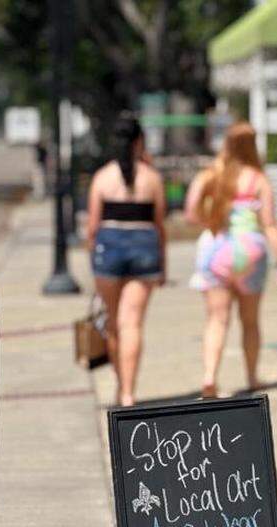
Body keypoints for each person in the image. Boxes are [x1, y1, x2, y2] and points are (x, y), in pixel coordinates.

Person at [185, 122, 277, 398]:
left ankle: (210, 377)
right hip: (249, 252)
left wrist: (211, 219)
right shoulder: (258, 179)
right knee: (250, 321)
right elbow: (270, 224)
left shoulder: (214, 175)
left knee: (216, 319)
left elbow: (191, 213)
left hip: (217, 249)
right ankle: (253, 378)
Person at [86, 114, 166, 406]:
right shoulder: (152, 178)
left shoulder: (102, 177)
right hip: (145, 248)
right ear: (139, 141)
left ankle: (121, 386)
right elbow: (160, 225)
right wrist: (163, 265)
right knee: (132, 323)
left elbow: (92, 228)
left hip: (108, 249)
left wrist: (94, 263)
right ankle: (129, 393)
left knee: (113, 324)